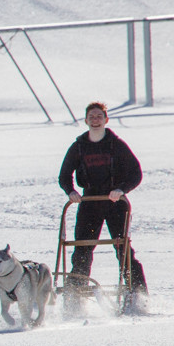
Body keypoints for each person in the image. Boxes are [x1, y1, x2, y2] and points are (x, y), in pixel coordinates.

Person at [58, 101, 148, 313]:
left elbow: (136, 173)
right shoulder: (79, 146)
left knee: (123, 249)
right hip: (89, 203)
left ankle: (138, 295)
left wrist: (122, 190)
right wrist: (71, 192)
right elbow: (64, 175)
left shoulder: (116, 144)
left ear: (106, 120)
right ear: (86, 120)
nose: (96, 120)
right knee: (82, 249)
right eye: (92, 117)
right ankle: (76, 298)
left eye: (99, 116)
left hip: (115, 203)